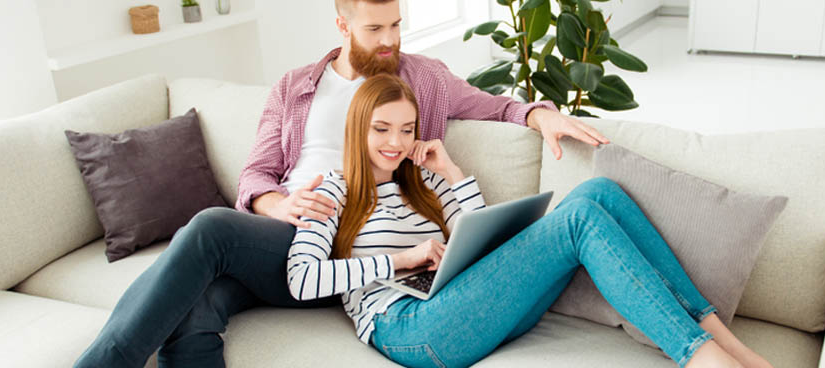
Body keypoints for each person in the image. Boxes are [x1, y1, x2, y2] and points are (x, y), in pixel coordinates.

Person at [75, 0, 609, 366]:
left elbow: (498, 106)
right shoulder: (294, 87)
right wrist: (275, 204)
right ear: (341, 25)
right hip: (295, 230)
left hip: (355, 241)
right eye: (374, 29)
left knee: (210, 228)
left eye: (396, 25)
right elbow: (256, 174)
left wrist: (541, 115)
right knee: (198, 303)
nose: (389, 40)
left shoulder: (425, 77)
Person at [289, 74, 774, 368]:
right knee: (581, 217)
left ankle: (725, 341)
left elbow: (481, 249)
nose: (395, 142)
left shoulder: (426, 182)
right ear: (358, 129)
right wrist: (401, 260)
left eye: (406, 129)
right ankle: (698, 354)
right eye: (381, 129)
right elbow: (302, 280)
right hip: (409, 329)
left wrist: (453, 174)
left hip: (466, 310)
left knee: (598, 192)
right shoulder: (331, 191)